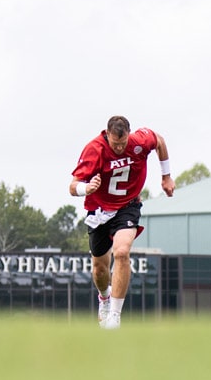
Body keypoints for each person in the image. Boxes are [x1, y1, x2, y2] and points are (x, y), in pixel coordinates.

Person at [69, 115, 174, 329]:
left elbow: (160, 141)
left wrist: (166, 176)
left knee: (122, 252)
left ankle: (114, 317)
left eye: (123, 143)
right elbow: (73, 186)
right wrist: (86, 189)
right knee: (100, 269)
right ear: (107, 135)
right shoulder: (94, 149)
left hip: (128, 206)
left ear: (129, 135)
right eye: (115, 144)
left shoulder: (139, 141)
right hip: (99, 210)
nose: (119, 148)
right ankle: (104, 298)